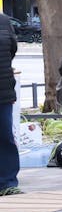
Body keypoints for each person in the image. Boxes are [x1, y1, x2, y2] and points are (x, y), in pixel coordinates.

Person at [0, 13, 18, 196]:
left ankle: (7, 183)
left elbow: (11, 50)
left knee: (5, 137)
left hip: (3, 90)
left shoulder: (4, 21)